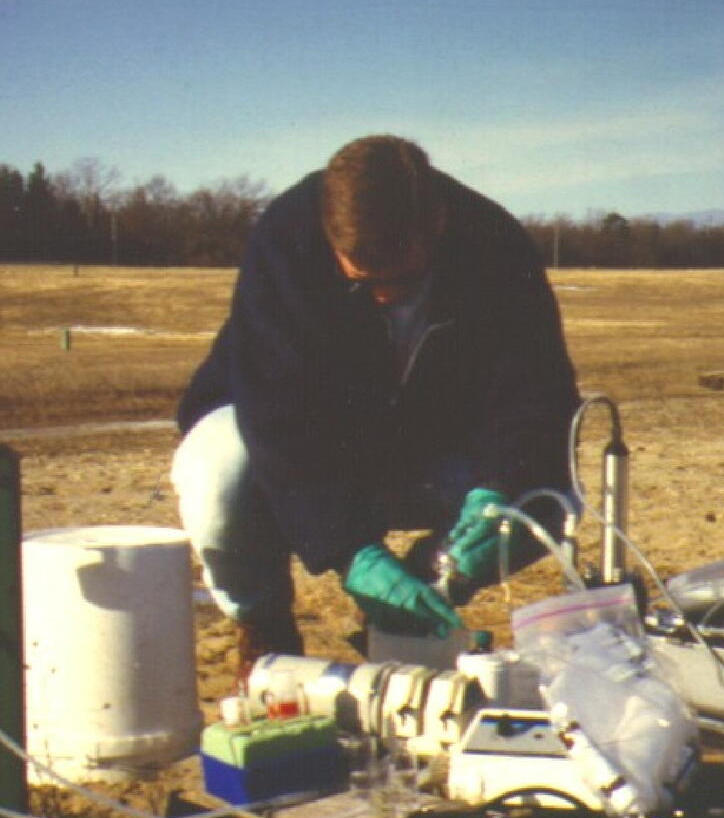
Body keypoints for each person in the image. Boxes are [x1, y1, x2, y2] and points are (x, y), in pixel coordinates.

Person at [171, 135, 580, 677]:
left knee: (551, 503)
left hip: (428, 444)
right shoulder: (285, 240)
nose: (386, 297)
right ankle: (264, 626)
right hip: (307, 443)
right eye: (364, 284)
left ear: (436, 223)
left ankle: (417, 604)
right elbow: (276, 413)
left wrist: (499, 487)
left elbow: (534, 391)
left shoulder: (495, 244)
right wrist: (348, 550)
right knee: (219, 473)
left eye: (404, 280)